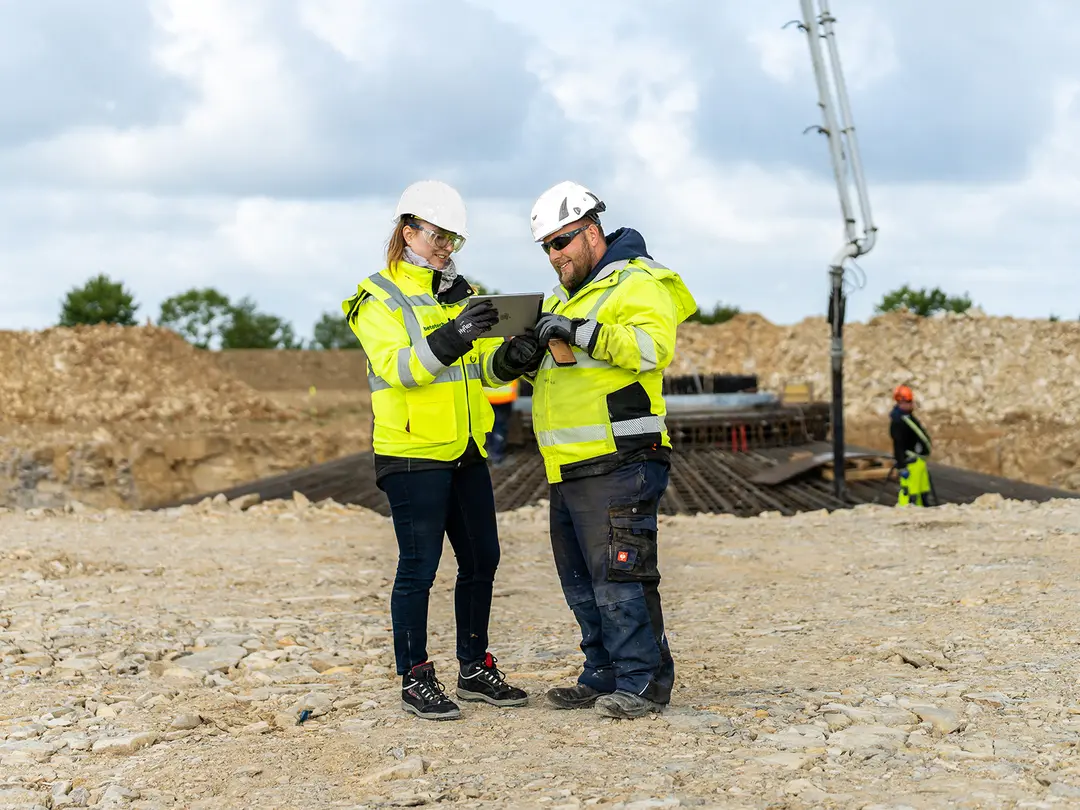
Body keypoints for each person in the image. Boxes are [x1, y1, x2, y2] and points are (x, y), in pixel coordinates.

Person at [341, 180, 544, 720]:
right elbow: (401, 369)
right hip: (412, 453)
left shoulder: (456, 292)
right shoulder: (376, 296)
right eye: (439, 235)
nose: (447, 246)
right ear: (408, 231)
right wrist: (453, 334)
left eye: (455, 238)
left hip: (465, 447)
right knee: (419, 566)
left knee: (482, 558)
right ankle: (415, 677)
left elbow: (474, 368)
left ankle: (475, 668)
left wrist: (511, 357)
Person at [523, 181, 696, 719]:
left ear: (591, 230)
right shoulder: (561, 297)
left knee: (623, 573)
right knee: (581, 579)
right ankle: (602, 674)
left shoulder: (639, 280)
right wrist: (523, 360)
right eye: (547, 247)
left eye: (562, 242)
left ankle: (643, 682)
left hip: (621, 457)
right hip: (569, 463)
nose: (555, 257)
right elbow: (567, 378)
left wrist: (579, 330)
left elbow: (651, 347)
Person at [890, 385, 934, 506]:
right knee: (909, 493)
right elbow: (897, 445)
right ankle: (906, 513)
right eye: (908, 402)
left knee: (922, 492)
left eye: (910, 401)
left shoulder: (908, 418)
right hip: (909, 464)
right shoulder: (898, 421)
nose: (910, 404)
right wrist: (901, 466)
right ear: (900, 402)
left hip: (918, 462)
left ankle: (923, 511)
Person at [483, 379, 519, 466]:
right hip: (503, 396)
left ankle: (488, 454)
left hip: (485, 395)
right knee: (500, 427)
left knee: (488, 426)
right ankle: (497, 457)